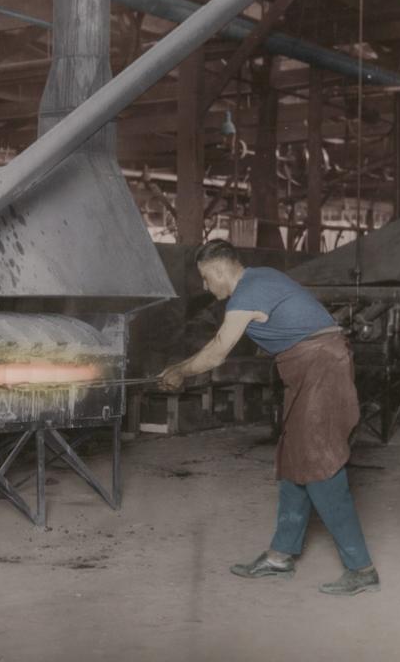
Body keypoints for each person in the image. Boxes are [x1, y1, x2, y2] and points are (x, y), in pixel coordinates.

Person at [158, 239, 379, 596]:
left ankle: (362, 568)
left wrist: (180, 371)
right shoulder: (262, 277)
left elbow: (217, 351)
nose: (205, 286)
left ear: (217, 269)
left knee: (321, 467)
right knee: (295, 461)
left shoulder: (247, 293)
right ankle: (279, 557)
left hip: (321, 370)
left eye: (204, 277)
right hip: (309, 370)